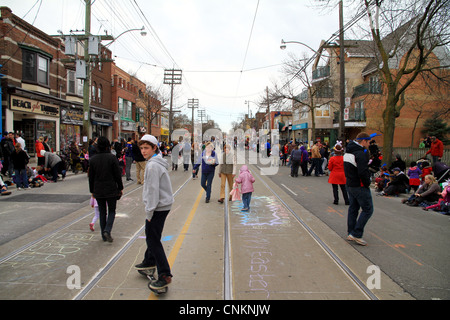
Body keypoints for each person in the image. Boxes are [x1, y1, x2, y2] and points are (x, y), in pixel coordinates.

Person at [135, 134, 174, 292]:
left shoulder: (151, 166)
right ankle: (149, 260)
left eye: (146, 148)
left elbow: (152, 192)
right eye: (142, 148)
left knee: (153, 239)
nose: (143, 151)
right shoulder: (156, 162)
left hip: (157, 207)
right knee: (152, 237)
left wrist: (149, 213)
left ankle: (165, 274)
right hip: (163, 204)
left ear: (154, 148)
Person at [88, 136, 124, 242]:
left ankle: (103, 235)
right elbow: (117, 175)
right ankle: (107, 230)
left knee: (102, 212)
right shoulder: (112, 158)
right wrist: (120, 187)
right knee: (112, 211)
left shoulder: (93, 159)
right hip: (111, 188)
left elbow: (91, 177)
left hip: (98, 189)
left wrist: (92, 191)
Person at [343, 132, 373, 246]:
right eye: (369, 142)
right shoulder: (360, 153)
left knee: (353, 208)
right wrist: (367, 182)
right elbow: (362, 171)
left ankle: (351, 232)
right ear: (364, 141)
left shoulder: (348, 152)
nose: (369, 144)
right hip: (359, 185)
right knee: (368, 209)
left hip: (350, 184)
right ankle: (357, 233)